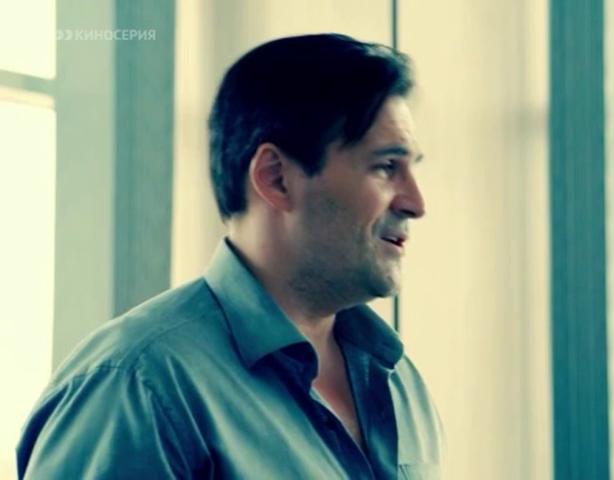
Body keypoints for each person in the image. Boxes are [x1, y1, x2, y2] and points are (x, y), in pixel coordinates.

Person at [17, 34, 443, 479]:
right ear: (276, 178)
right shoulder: (137, 389)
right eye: (386, 167)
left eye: (412, 168)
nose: (416, 203)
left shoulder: (399, 381)